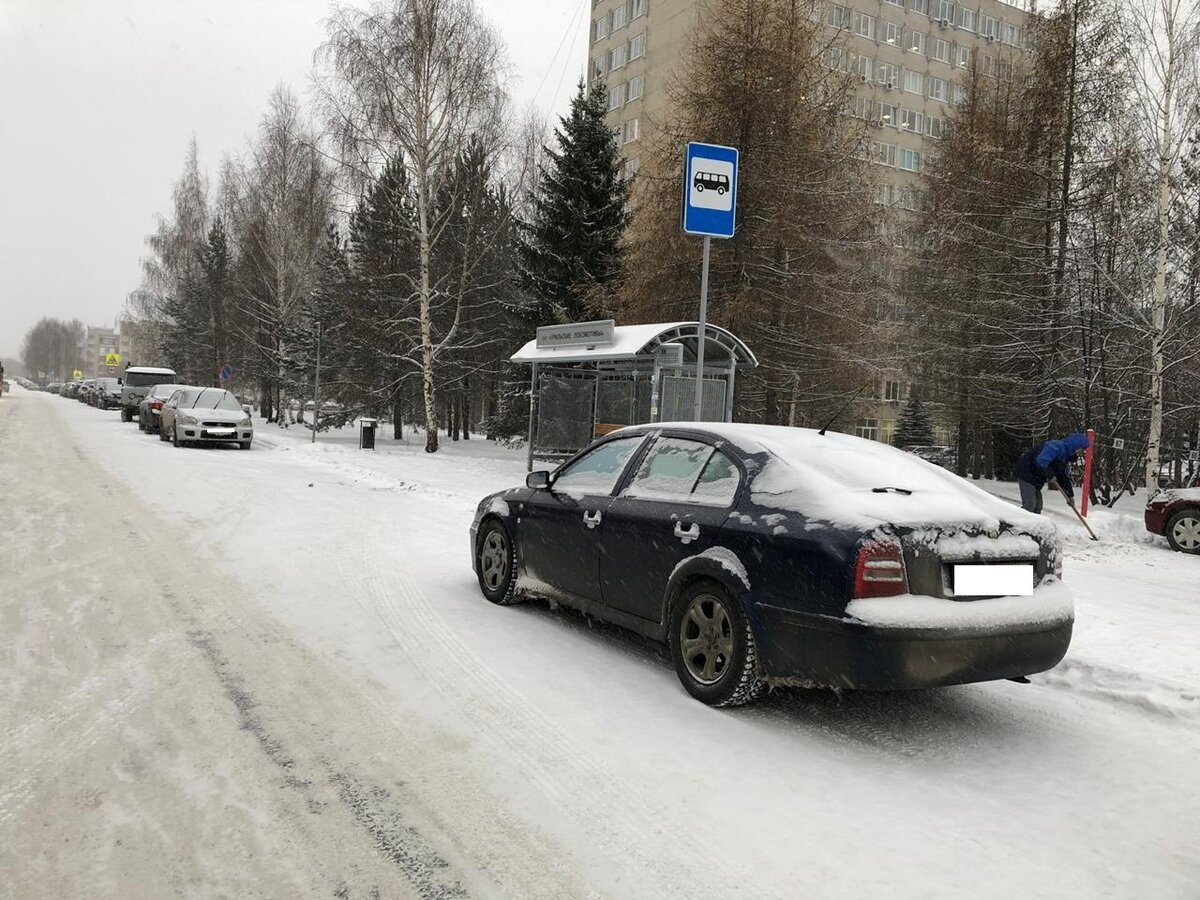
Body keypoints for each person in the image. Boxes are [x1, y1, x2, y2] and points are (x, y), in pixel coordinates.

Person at [1014, 432, 1090, 513]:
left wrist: (1070, 496)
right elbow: (1041, 461)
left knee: (1038, 506)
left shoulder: (1065, 458)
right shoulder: (1055, 446)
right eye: (1080, 448)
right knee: (1030, 504)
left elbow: (1063, 477)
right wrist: (1050, 475)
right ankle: (1017, 523)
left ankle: (1034, 525)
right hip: (1027, 472)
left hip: (1036, 478)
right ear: (1075, 445)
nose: (1080, 451)